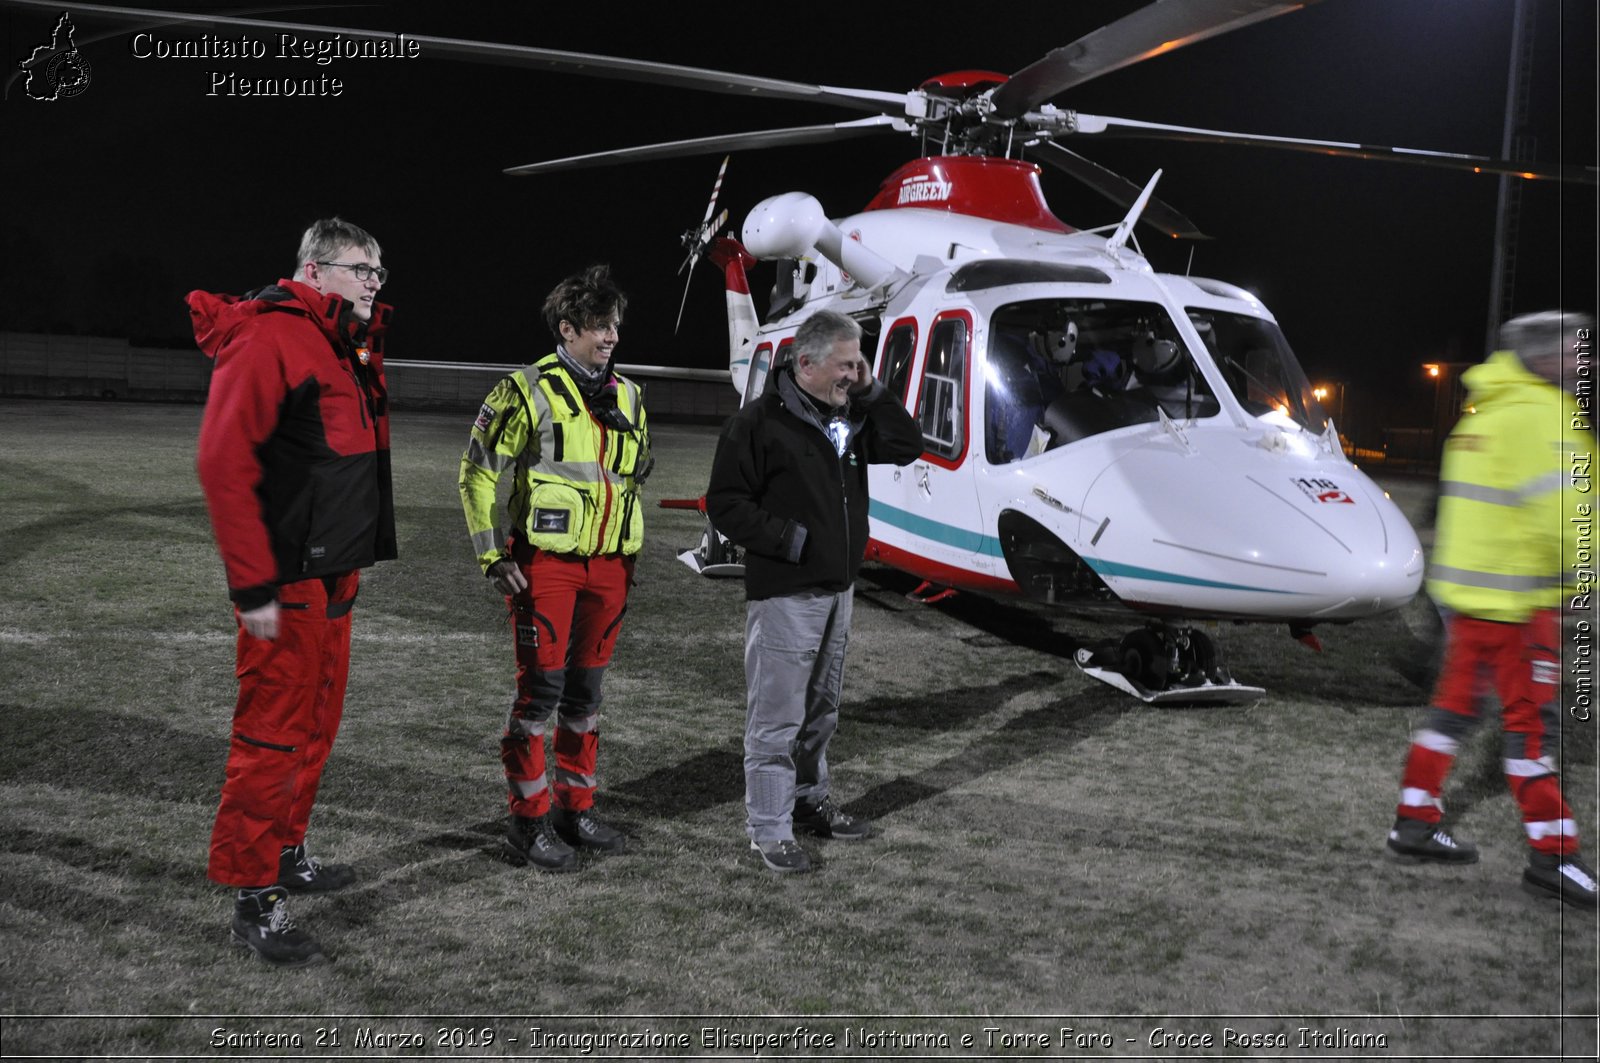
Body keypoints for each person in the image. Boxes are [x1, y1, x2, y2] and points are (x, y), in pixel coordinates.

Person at [191, 217, 397, 966]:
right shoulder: (272, 333)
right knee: (271, 738)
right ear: (313, 271)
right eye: (360, 268)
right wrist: (252, 583)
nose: (374, 281)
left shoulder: (340, 339)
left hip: (334, 574)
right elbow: (221, 459)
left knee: (313, 728)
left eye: (379, 271)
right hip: (286, 580)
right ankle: (254, 901)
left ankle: (283, 853)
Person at [1386, 310, 1596, 908]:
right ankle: (1554, 858)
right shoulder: (1546, 417)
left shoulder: (1482, 413)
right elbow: (1567, 520)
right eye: (1577, 349)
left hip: (1471, 604)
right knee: (1534, 732)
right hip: (1522, 606)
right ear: (1544, 357)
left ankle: (1414, 820)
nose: (1587, 361)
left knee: (1451, 715)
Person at [706, 309, 922, 873]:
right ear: (806, 363)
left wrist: (873, 390)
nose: (856, 373)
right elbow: (726, 504)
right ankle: (770, 829)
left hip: (838, 590)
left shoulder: (849, 413)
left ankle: (808, 804)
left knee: (821, 711)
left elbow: (907, 444)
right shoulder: (755, 424)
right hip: (786, 593)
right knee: (777, 718)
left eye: (860, 364)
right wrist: (792, 541)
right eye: (846, 364)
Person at [459, 264, 649, 873]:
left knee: (586, 698)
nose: (611, 336)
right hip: (547, 566)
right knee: (538, 697)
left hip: (611, 569)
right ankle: (528, 822)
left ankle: (575, 807)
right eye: (598, 326)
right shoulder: (524, 389)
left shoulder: (630, 395)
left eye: (615, 325)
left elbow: (630, 477)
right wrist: (492, 554)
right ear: (566, 329)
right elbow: (478, 472)